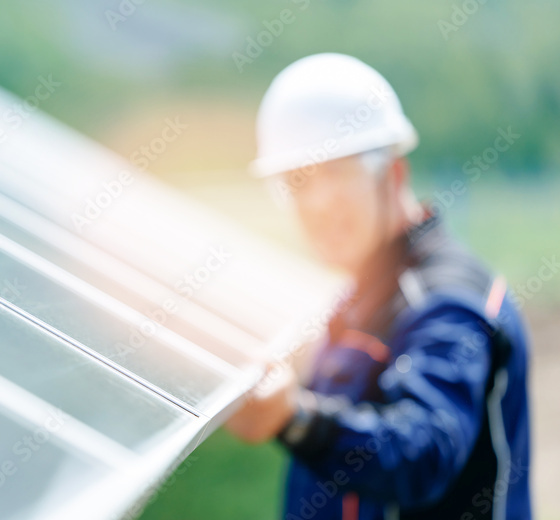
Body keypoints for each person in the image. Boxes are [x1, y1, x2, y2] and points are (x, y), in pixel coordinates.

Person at [224, 53, 532, 520]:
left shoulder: (448, 302)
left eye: (336, 174)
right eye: (297, 182)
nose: (319, 204)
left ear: (393, 172)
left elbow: (424, 451)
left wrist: (295, 419)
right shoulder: (364, 289)